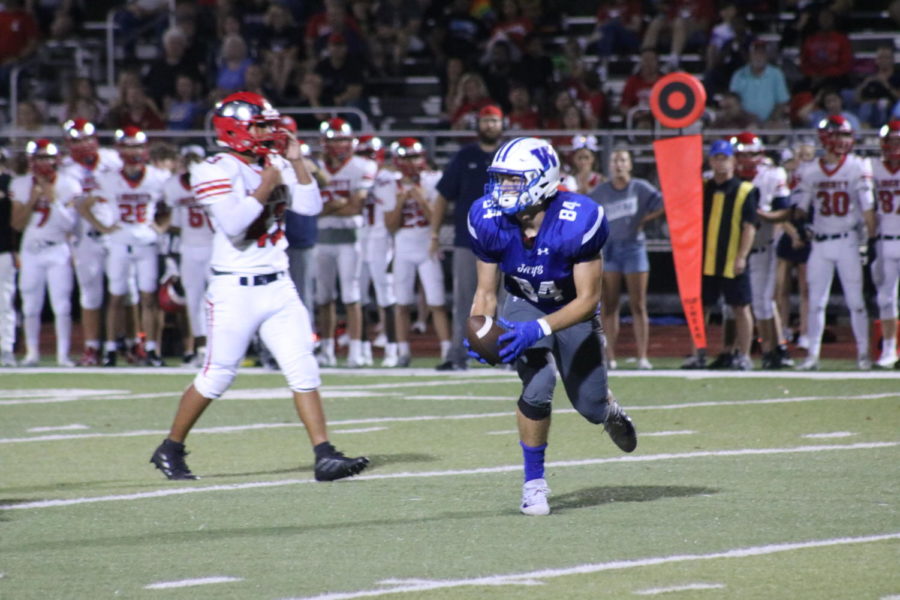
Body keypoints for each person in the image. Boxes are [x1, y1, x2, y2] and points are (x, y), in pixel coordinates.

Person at [150, 91, 369, 482]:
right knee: (218, 375)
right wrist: (267, 185)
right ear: (234, 130)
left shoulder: (277, 162)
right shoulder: (214, 167)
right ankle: (170, 447)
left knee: (303, 366)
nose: (271, 131)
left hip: (278, 284)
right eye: (261, 125)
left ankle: (324, 454)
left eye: (270, 124)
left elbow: (311, 208)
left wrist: (298, 162)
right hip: (234, 288)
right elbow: (234, 225)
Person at [466, 136, 637, 516]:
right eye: (500, 179)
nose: (502, 189)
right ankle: (534, 484)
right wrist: (480, 329)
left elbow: (588, 299)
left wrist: (537, 330)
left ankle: (608, 410)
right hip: (525, 302)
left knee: (590, 406)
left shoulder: (579, 217)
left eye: (512, 180)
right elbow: (485, 290)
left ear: (541, 180)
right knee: (539, 382)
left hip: (571, 309)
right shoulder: (488, 218)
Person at [79, 127, 169, 367]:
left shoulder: (157, 176)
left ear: (145, 149)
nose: (133, 151)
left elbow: (175, 203)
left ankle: (151, 348)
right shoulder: (109, 178)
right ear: (120, 149)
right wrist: (104, 227)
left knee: (148, 296)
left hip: (146, 240)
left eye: (137, 146)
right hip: (120, 240)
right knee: (116, 297)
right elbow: (84, 206)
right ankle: (110, 349)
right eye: (129, 146)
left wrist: (161, 227)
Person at [792, 116, 876, 371]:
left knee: (856, 302)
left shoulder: (857, 166)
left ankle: (863, 354)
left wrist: (871, 239)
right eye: (837, 135)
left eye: (845, 136)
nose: (842, 141)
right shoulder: (810, 170)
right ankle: (812, 355)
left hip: (847, 241)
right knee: (816, 302)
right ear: (825, 137)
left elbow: (868, 209)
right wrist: (800, 226)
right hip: (820, 242)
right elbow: (799, 211)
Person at [431, 104, 505, 371]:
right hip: (469, 240)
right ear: (477, 124)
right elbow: (442, 196)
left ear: (502, 124)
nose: (489, 126)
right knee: (464, 300)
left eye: (494, 121)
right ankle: (457, 355)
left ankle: (512, 355)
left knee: (510, 300)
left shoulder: (510, 157)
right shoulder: (464, 157)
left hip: (508, 240)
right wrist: (434, 232)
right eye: (485, 121)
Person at [682, 140, 760, 370]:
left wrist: (742, 256)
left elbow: (750, 226)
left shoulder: (745, 190)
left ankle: (744, 355)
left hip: (730, 259)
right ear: (710, 161)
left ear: (733, 161)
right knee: (700, 308)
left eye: (725, 158)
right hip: (704, 260)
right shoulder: (702, 187)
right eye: (717, 158)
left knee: (741, 306)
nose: (721, 163)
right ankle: (698, 354)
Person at [589, 148, 664, 370]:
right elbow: (590, 215)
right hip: (609, 249)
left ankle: (642, 356)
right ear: (609, 165)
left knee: (638, 303)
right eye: (615, 160)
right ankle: (608, 355)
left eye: (623, 160)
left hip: (634, 247)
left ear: (630, 164)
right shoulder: (600, 191)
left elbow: (662, 204)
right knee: (609, 304)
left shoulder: (640, 187)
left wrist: (643, 220)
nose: (619, 164)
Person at [10, 140, 81, 366]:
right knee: (30, 305)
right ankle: (32, 354)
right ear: (32, 160)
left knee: (62, 305)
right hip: (31, 250)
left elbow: (68, 225)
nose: (45, 162)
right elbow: (17, 224)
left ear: (56, 159)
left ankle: (63, 355)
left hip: (58, 248)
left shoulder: (69, 184)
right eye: (40, 158)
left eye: (48, 158)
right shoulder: (21, 184)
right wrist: (32, 199)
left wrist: (52, 199)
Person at [60, 118, 123, 366]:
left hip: (117, 232)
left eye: (86, 138)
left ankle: (124, 344)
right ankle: (91, 348)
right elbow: (79, 205)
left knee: (123, 292)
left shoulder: (112, 159)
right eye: (77, 140)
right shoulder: (66, 170)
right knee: (90, 295)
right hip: (86, 236)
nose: (83, 144)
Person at [383, 137, 451, 367]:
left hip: (426, 245)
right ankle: (403, 353)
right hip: (402, 247)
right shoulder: (389, 182)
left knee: (437, 302)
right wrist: (402, 200)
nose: (412, 162)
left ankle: (447, 351)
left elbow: (436, 219)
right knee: (402, 303)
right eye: (407, 157)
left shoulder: (433, 180)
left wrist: (422, 199)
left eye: (415, 156)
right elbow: (390, 225)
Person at [314, 117, 376, 367]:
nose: (339, 145)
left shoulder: (363, 165)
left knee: (351, 296)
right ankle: (327, 349)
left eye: (343, 139)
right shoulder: (314, 166)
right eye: (334, 140)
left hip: (351, 240)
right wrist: (337, 205)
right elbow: (310, 209)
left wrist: (325, 207)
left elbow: (354, 207)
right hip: (321, 239)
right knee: (323, 297)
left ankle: (355, 350)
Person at [731, 132, 792, 369]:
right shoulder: (724, 175)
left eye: (751, 154)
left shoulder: (772, 174)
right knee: (740, 304)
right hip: (733, 249)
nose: (746, 160)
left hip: (762, 245)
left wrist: (763, 216)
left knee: (762, 302)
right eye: (741, 155)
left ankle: (771, 349)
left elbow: (784, 211)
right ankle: (767, 349)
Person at [161, 146, 212, 366]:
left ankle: (217, 348)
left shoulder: (213, 182)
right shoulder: (173, 186)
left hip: (213, 248)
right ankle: (201, 349)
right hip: (189, 249)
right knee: (194, 301)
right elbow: (173, 224)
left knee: (217, 300)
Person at [870, 120, 900, 368]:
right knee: (886, 298)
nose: (895, 146)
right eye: (892, 141)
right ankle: (889, 347)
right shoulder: (873, 168)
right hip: (884, 240)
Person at [728, 40, 790, 126]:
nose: (758, 57)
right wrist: (748, 119)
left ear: (767, 56)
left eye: (762, 54)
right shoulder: (738, 75)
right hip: (743, 122)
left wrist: (770, 121)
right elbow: (733, 102)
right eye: (755, 53)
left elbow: (782, 102)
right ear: (750, 55)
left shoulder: (776, 74)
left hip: (770, 123)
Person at [0, 156, 16, 366]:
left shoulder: (9, 183)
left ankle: (6, 347)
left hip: (3, 249)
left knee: (4, 302)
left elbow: (14, 221)